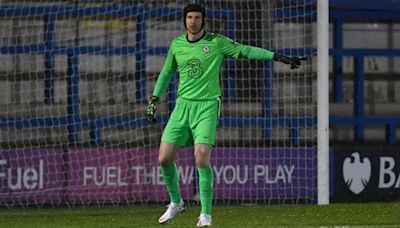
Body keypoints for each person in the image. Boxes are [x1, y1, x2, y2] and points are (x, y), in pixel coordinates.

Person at [146, 3, 305, 227]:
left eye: (197, 17)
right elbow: (166, 72)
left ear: (204, 20)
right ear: (184, 20)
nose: (193, 21)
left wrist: (277, 57)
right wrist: (154, 98)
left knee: (201, 157)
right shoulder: (177, 44)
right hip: (182, 107)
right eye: (189, 17)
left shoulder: (216, 42)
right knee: (164, 159)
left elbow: (246, 50)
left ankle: (205, 215)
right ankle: (176, 203)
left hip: (207, 106)